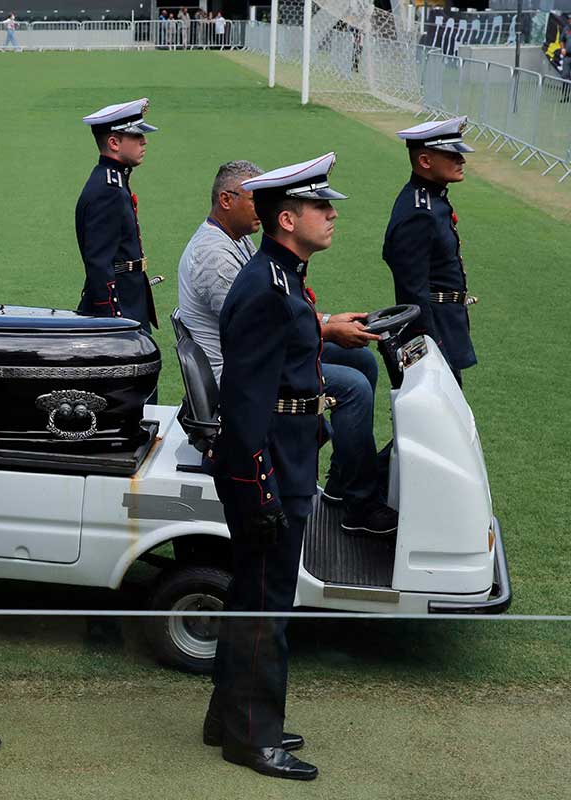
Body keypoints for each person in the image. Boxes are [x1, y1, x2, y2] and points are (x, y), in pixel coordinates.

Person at [204, 153, 349, 782]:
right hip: (268, 469)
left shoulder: (281, 277)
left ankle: (230, 718)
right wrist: (258, 489)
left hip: (282, 458)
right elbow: (244, 401)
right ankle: (253, 737)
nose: (332, 214)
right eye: (321, 207)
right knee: (267, 603)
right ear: (287, 218)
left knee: (252, 593)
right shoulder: (267, 287)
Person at [177, 161, 396, 536]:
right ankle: (360, 503)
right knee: (354, 389)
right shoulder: (214, 255)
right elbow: (262, 324)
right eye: (253, 198)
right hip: (239, 370)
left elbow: (281, 310)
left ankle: (344, 482)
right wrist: (327, 329)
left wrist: (328, 321)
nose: (259, 206)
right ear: (226, 200)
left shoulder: (234, 238)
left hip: (260, 353)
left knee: (361, 359)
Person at [384, 117, 476, 386]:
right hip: (433, 329)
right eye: (452, 154)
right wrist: (430, 344)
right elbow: (412, 289)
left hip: (446, 325)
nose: (462, 160)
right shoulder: (419, 212)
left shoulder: (431, 201)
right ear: (425, 161)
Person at [75, 99, 158, 333]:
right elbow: (100, 264)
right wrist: (113, 322)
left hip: (130, 299)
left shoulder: (113, 180)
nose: (144, 141)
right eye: (137, 136)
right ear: (113, 142)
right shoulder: (108, 190)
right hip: (121, 308)